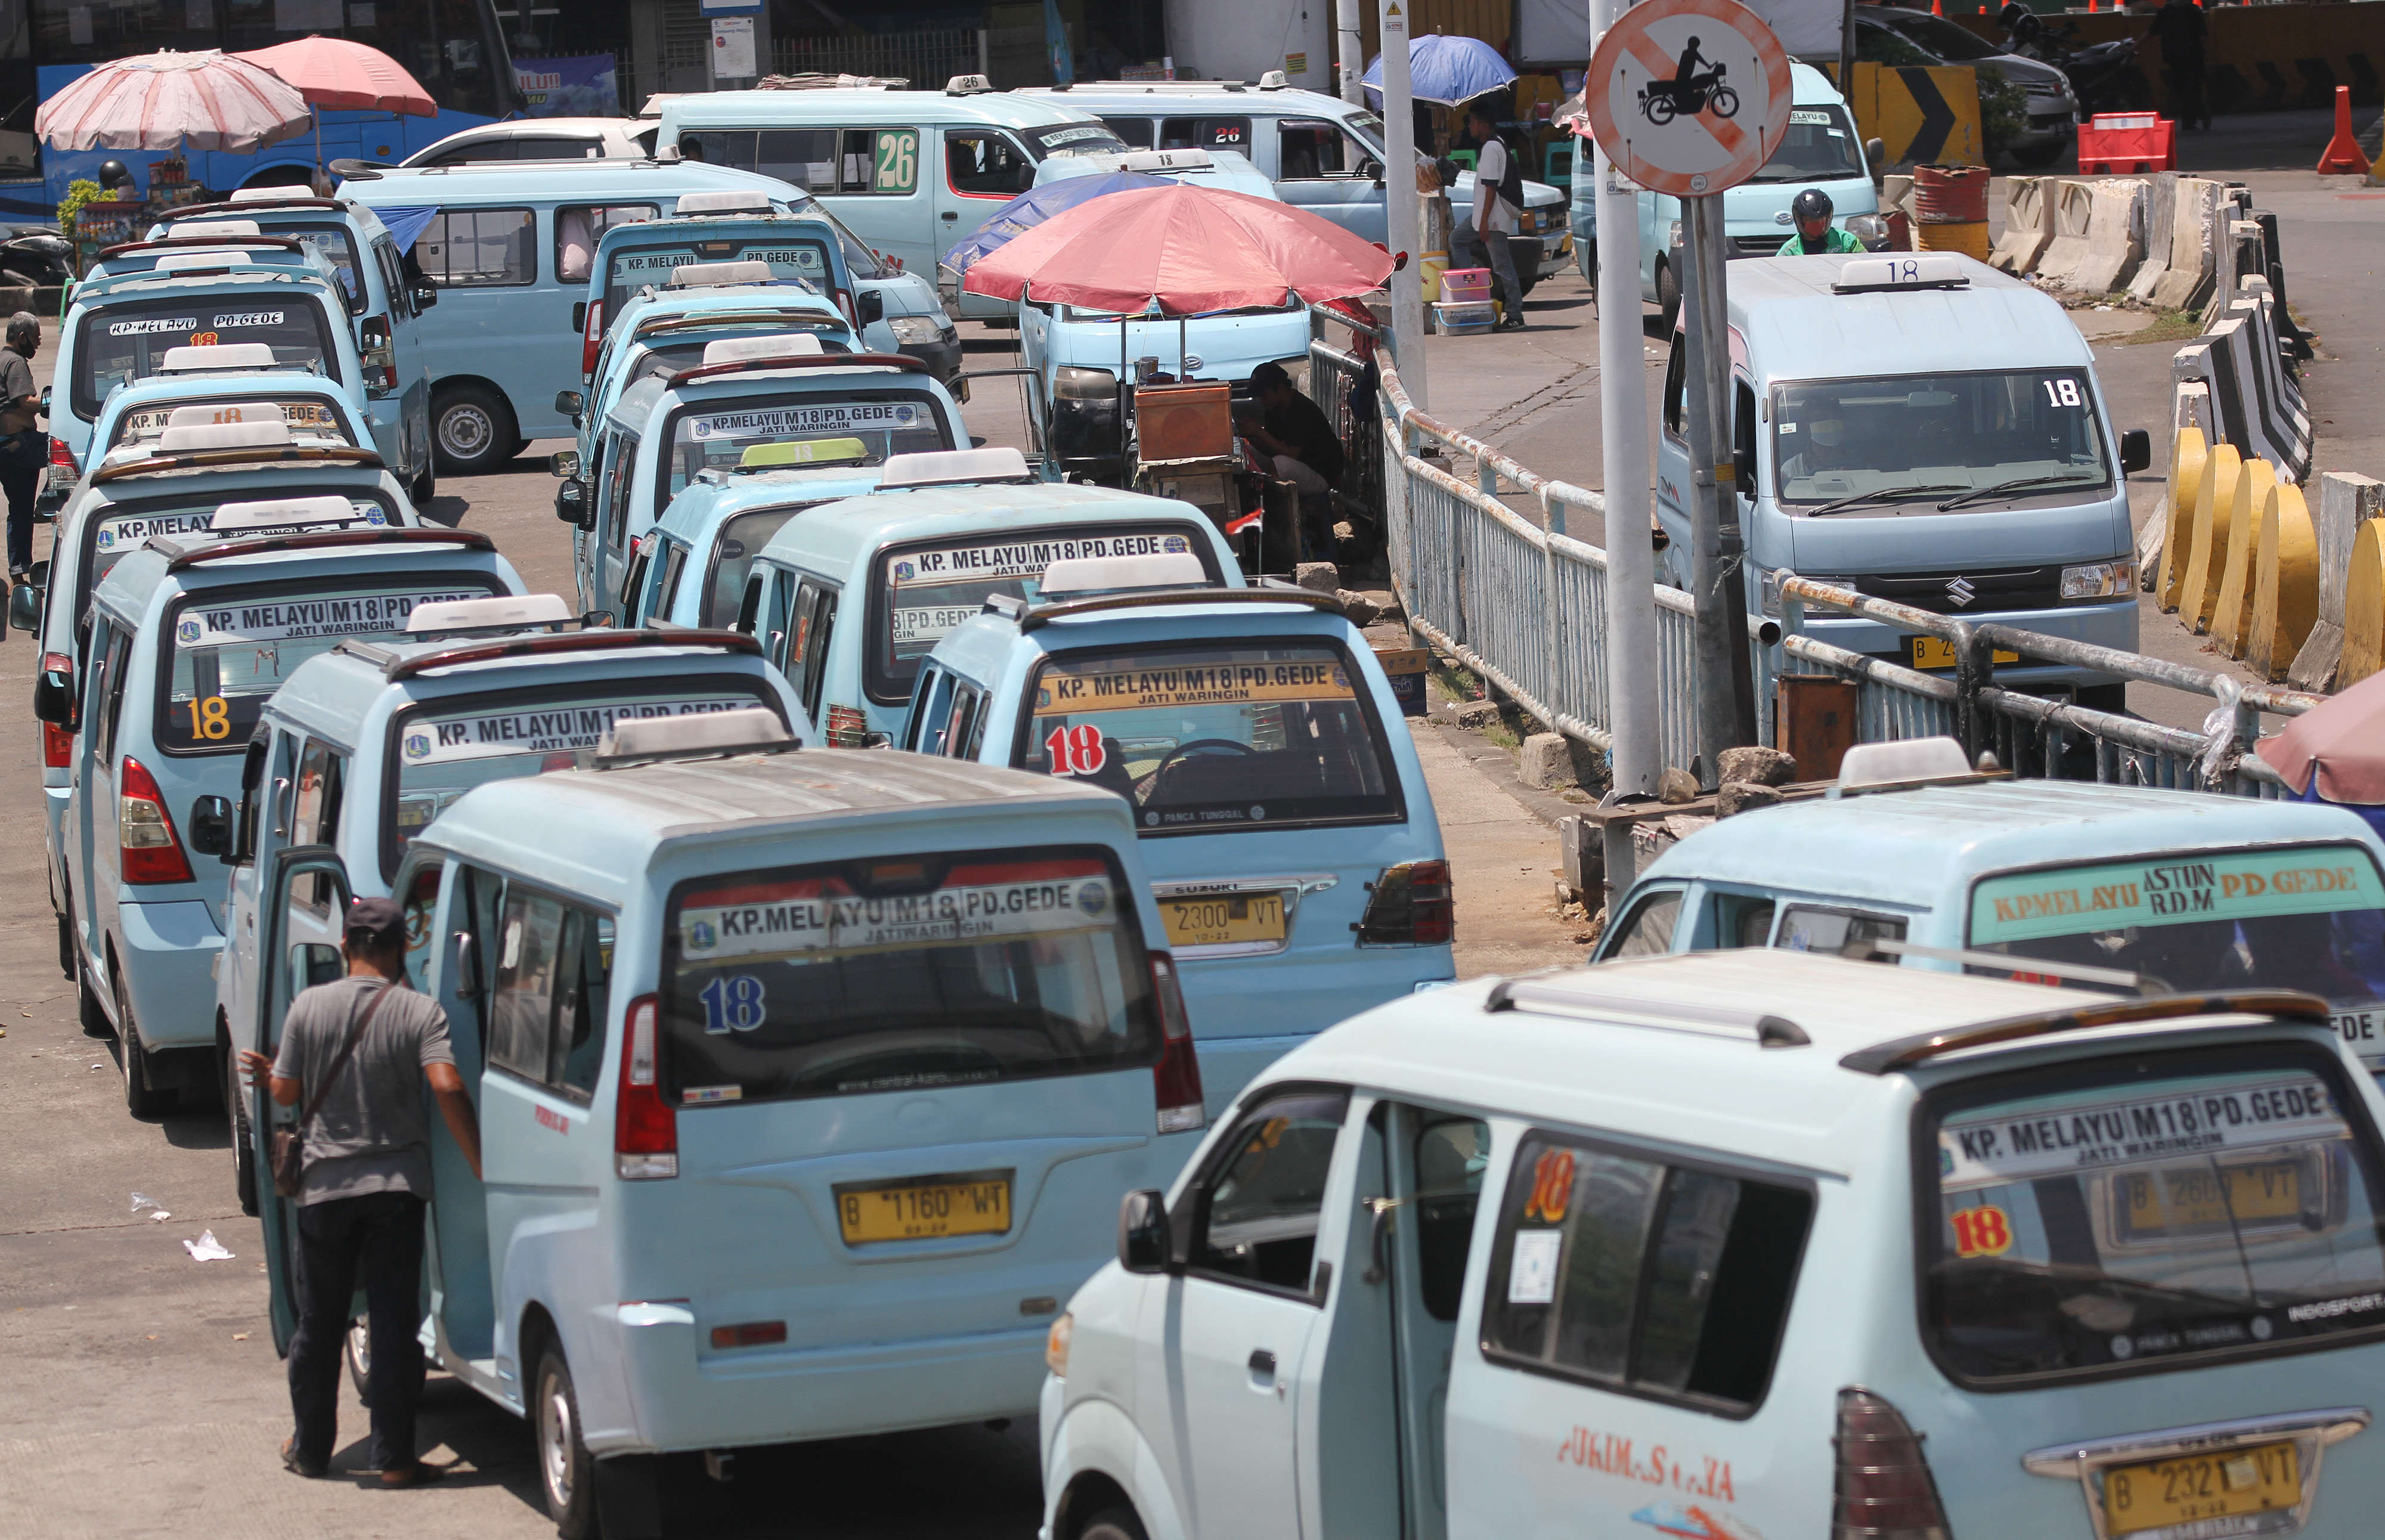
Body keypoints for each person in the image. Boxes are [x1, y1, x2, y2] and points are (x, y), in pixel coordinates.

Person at [240, 897, 482, 1487]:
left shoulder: (308, 1007)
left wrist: (271, 1074)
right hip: (397, 1193)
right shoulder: (421, 1011)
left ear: (345, 946)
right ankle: (394, 1458)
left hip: (324, 1191)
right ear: (402, 950)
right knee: (395, 1320)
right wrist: (481, 1162)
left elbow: (285, 1095)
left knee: (320, 1322)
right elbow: (446, 1083)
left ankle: (312, 1449)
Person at [1448, 103, 1528, 332]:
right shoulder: (1495, 144)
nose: (1470, 127)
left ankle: (1515, 315)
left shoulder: (1492, 148)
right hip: (1486, 215)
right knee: (1457, 238)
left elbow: (1491, 188)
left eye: (1473, 122)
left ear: (1483, 125)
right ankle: (1472, 295)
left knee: (1503, 266)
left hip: (1492, 218)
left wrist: (1483, 223)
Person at [1243, 360, 1344, 498]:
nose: (1261, 400)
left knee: (1280, 464)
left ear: (1280, 388)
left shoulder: (1302, 409)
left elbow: (1291, 455)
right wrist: (1250, 435)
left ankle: (1274, 508)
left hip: (1320, 474)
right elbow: (1270, 449)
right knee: (1246, 451)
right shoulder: (1273, 410)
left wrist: (1259, 432)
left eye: (1264, 395)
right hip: (1297, 466)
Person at [0, 313, 44, 582]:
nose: (37, 345)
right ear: (22, 337)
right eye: (36, 340)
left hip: (6, 446)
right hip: (18, 445)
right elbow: (26, 402)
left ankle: (17, 575)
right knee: (63, 449)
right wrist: (55, 401)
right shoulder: (16, 362)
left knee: (17, 510)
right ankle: (56, 501)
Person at [2147, 0, 2210, 131]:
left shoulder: (2193, 11)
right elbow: (2151, 32)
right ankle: (2202, 113)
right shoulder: (2167, 11)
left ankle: (2189, 122)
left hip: (2194, 56)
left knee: (2191, 89)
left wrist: (2207, 58)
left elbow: (2203, 36)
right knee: (2181, 89)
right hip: (2175, 58)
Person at [1776, 188, 1865, 255]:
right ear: (1799, 220)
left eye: (1821, 219)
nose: (1817, 223)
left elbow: (1867, 265)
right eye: (1809, 220)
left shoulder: (1846, 241)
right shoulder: (1790, 251)